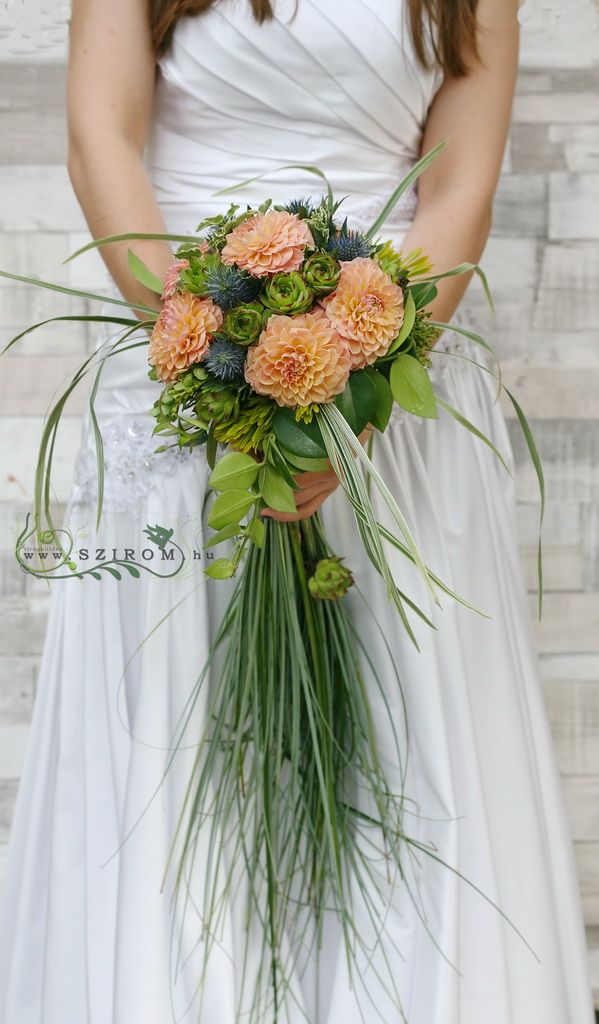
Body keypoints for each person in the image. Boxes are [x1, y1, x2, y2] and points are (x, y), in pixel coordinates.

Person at [0, 0, 594, 1021]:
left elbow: (457, 183)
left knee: (408, 740)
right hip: (175, 371)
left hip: (389, 386)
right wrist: (215, 365)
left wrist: (354, 384)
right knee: (170, 753)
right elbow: (100, 138)